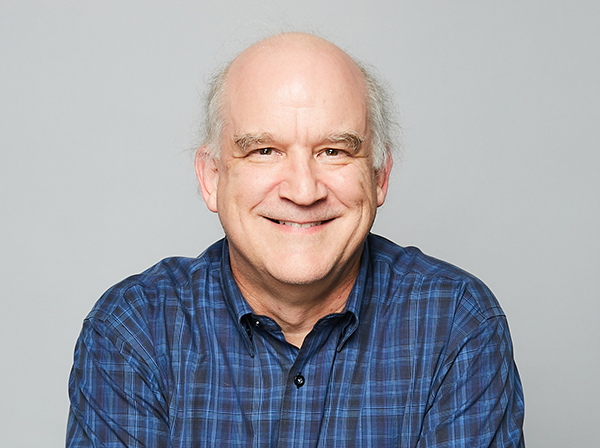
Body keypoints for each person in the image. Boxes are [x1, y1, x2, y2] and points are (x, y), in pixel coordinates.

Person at [67, 32, 525, 447]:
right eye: (264, 151)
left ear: (379, 177)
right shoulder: (134, 331)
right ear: (212, 177)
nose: (304, 191)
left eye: (334, 151)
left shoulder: (455, 324)